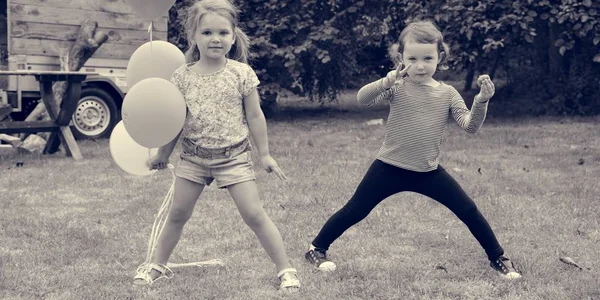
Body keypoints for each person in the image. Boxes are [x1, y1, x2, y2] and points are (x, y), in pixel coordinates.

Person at [304, 20, 521, 279]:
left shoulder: (448, 94)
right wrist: (386, 82)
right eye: (413, 58)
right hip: (388, 167)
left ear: (440, 57)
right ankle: (316, 248)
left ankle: (498, 257)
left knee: (468, 210)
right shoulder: (397, 86)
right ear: (401, 58)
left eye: (427, 58)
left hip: (427, 171)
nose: (420, 65)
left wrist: (481, 100)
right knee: (354, 210)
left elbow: (469, 126)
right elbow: (363, 99)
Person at [133, 0, 300, 292]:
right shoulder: (181, 76)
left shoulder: (241, 74)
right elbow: (175, 120)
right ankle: (157, 265)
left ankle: (286, 270)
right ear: (194, 37)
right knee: (177, 214)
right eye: (207, 32)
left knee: (254, 214)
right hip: (193, 158)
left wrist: (265, 155)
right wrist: (163, 154)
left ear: (233, 36)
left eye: (223, 33)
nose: (215, 39)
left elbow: (255, 115)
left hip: (233, 158)